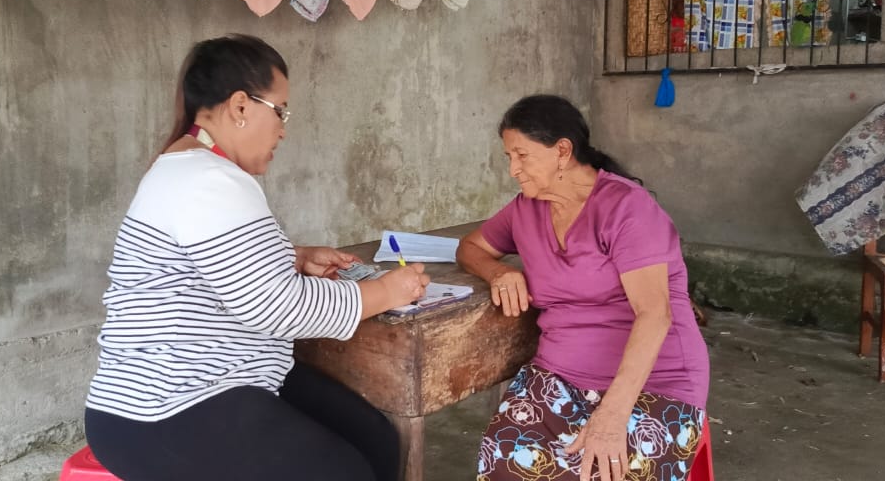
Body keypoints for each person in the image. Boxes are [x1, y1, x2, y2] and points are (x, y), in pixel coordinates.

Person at [84, 34, 429, 481]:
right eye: (280, 111)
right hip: (165, 404)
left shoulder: (190, 166)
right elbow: (276, 307)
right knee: (343, 472)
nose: (283, 129)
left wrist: (292, 257)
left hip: (223, 375)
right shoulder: (208, 179)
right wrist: (386, 291)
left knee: (375, 439)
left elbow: (214, 264)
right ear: (241, 106)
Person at [457, 95, 709, 481]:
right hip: (560, 376)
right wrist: (497, 272)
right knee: (506, 459)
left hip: (655, 382)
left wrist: (612, 415)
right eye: (509, 157)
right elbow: (470, 248)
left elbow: (655, 314)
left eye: (521, 156)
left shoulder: (626, 207)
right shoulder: (526, 209)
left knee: (602, 472)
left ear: (562, 151)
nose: (513, 170)